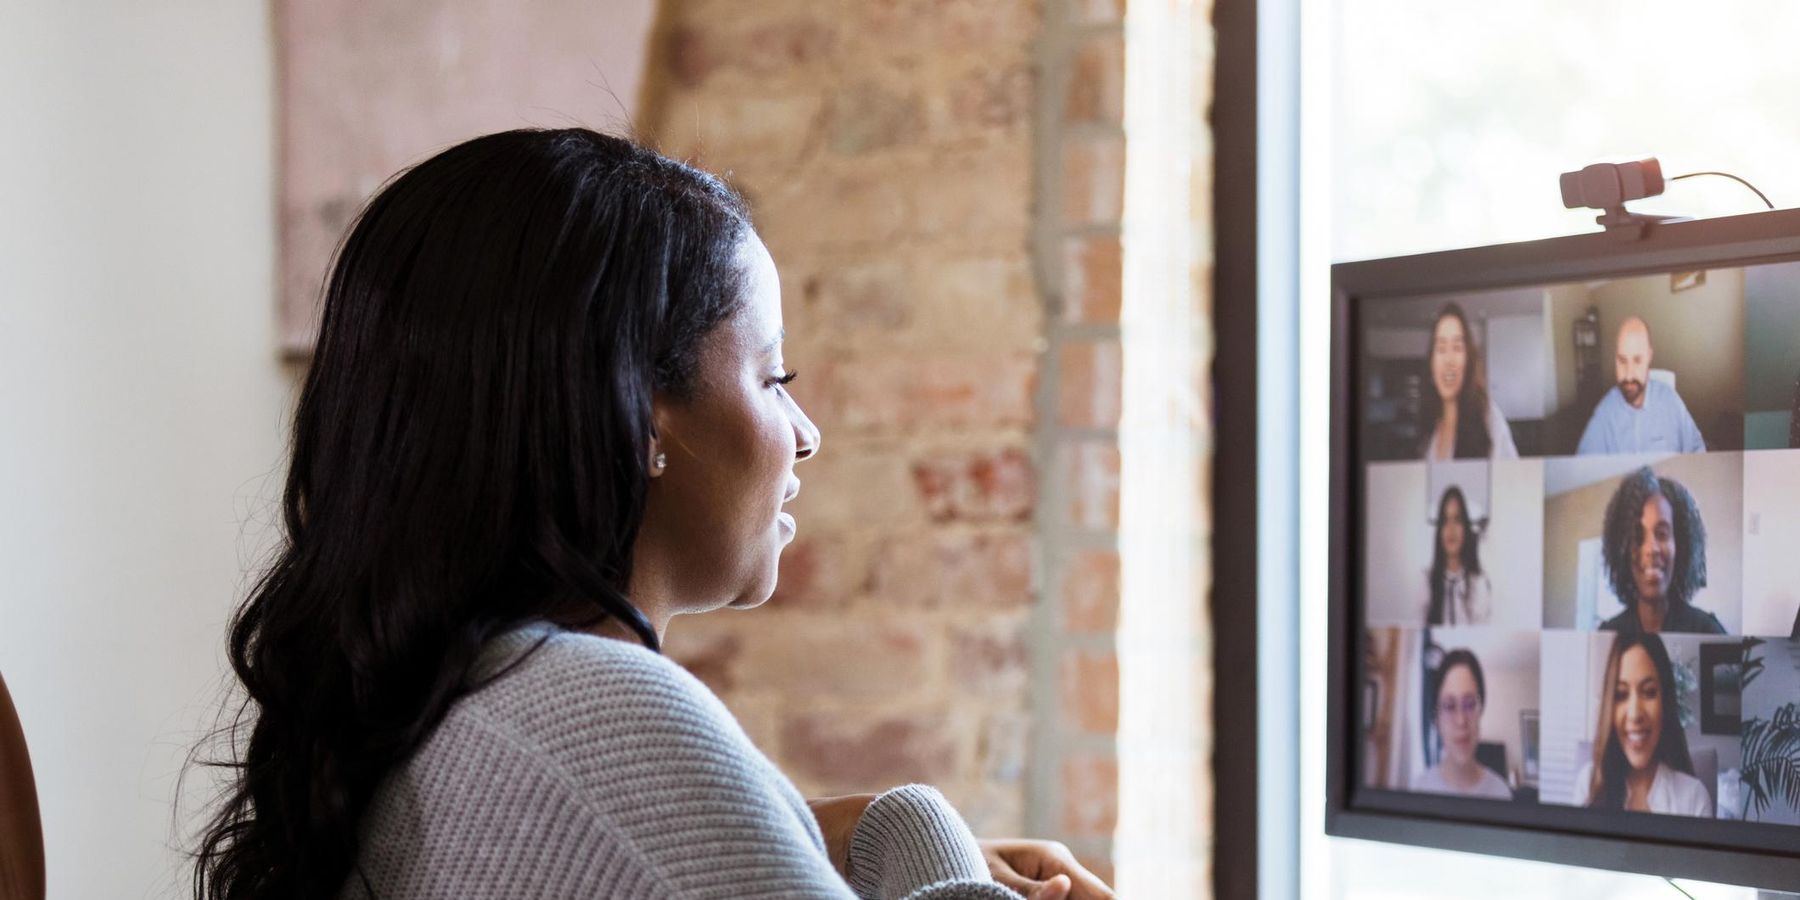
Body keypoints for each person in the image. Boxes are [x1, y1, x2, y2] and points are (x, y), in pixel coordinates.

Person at [188, 131, 1111, 900]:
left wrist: (802, 830)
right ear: (640, 414)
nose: (806, 434)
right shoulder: (600, 713)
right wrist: (911, 828)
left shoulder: (434, 710)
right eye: (772, 377)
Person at [1574, 632, 1713, 816]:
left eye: (1648, 692)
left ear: (1665, 702)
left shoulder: (1694, 797)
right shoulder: (1587, 784)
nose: (1635, 714)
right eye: (1621, 695)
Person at [1597, 467, 1726, 635]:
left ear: (1680, 544)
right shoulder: (1608, 634)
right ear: (1622, 549)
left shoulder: (1707, 631)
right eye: (1638, 536)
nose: (1652, 549)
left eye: (1662, 534)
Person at [1576, 317, 1706, 455]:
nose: (1629, 375)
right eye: (1622, 360)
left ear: (1649, 358)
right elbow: (1584, 467)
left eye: (1637, 360)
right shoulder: (1606, 412)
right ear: (1615, 360)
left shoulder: (1671, 401)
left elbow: (1697, 451)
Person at [1409, 649, 1513, 799]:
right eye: (1450, 706)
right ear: (1437, 718)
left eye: (1470, 704)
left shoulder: (1502, 793)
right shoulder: (1418, 789)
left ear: (1480, 710)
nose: (1461, 721)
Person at [1419, 303, 1518, 461]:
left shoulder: (1489, 418)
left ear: (1469, 360)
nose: (1449, 360)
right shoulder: (1430, 424)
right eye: (1441, 348)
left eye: (1457, 347)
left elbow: (1513, 481)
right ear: (1431, 363)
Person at [1424, 486, 1491, 626]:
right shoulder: (1425, 582)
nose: (1451, 529)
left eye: (1457, 519)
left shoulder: (1479, 584)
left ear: (1466, 527)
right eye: (1445, 520)